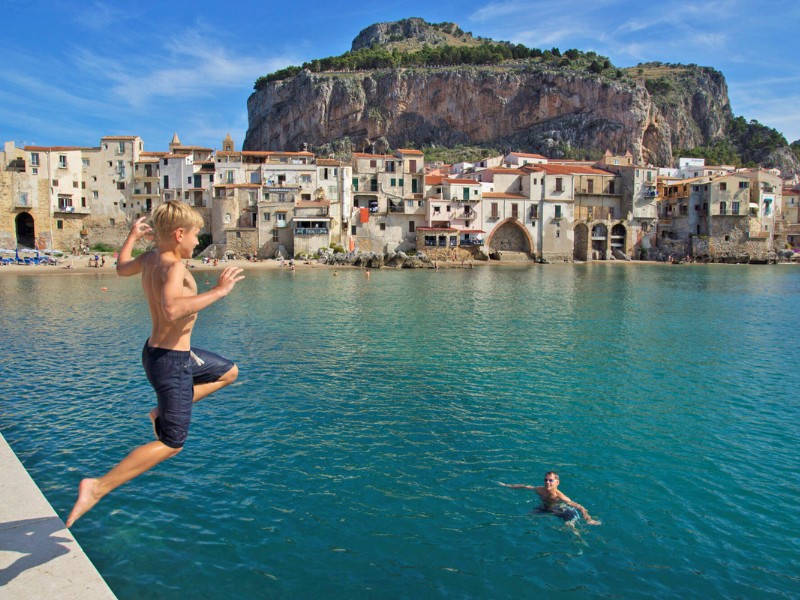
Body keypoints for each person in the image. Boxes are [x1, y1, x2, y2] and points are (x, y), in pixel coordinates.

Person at [65, 201, 245, 528]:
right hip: (172, 363)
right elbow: (173, 310)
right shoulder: (174, 267)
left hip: (160, 353)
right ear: (179, 235)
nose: (197, 242)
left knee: (229, 371)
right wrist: (219, 292)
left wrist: (133, 236)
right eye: (195, 236)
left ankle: (160, 411)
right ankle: (97, 487)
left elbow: (120, 268)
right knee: (171, 444)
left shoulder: (150, 259)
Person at [499, 471, 600, 526]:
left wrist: (588, 519)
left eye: (551, 480)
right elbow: (524, 486)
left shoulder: (561, 497)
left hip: (561, 510)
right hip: (545, 507)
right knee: (527, 516)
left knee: (569, 526)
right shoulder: (540, 490)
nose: (548, 482)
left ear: (557, 483)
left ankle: (577, 538)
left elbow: (580, 507)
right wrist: (506, 485)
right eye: (546, 480)